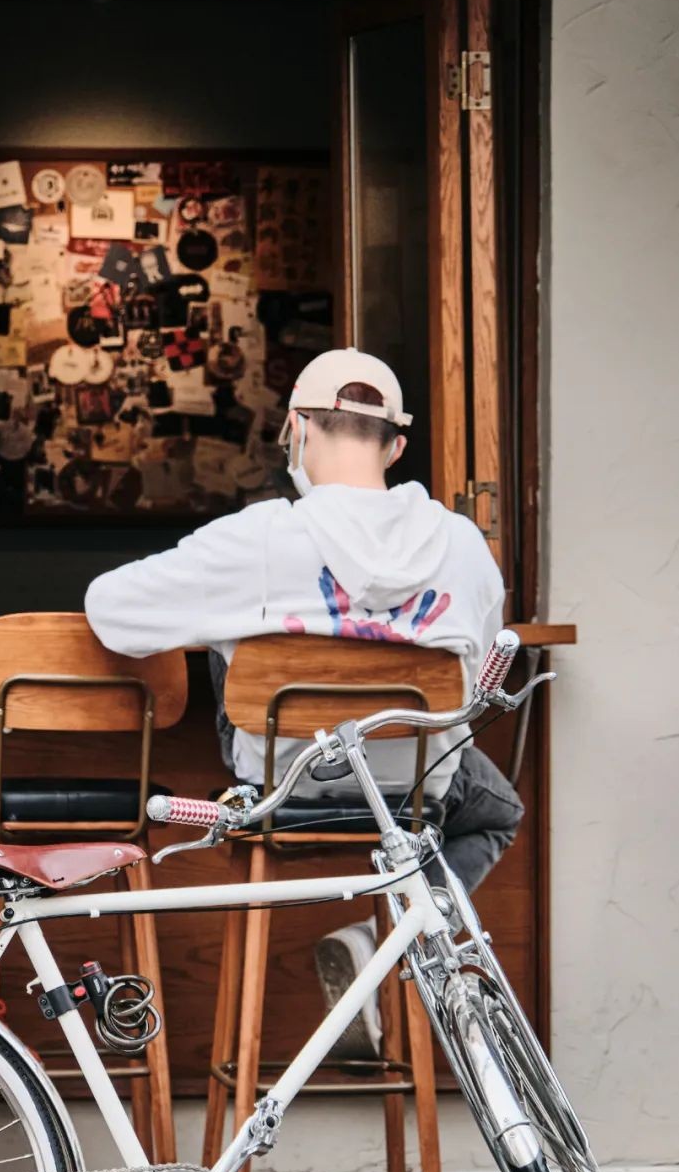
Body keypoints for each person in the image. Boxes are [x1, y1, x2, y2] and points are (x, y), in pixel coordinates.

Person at [85, 348, 524, 1050]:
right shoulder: (466, 547)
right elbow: (470, 692)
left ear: (297, 429)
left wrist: (233, 620)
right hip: (412, 795)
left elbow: (109, 611)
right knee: (499, 809)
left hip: (280, 788)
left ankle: (377, 944)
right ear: (397, 445)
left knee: (229, 644)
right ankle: (384, 939)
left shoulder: (259, 537)